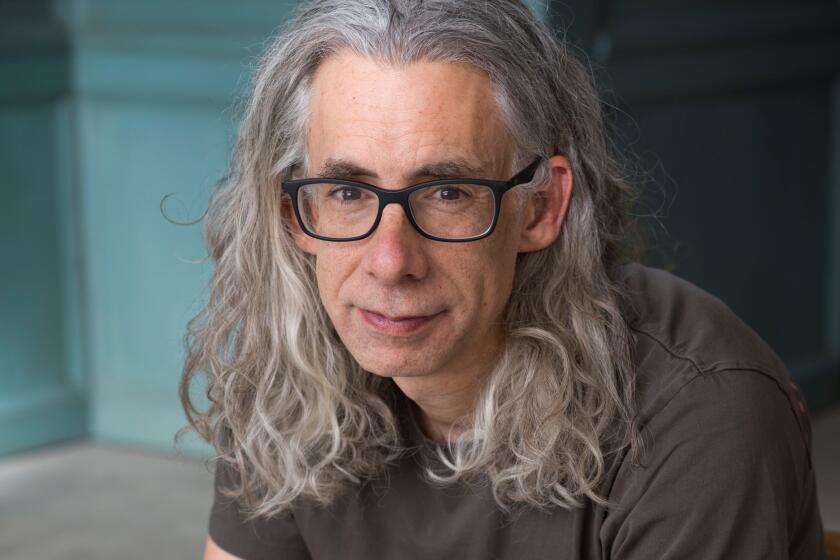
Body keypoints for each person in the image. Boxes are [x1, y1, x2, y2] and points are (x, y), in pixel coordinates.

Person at [178, 1, 826, 558]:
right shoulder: (293, 368)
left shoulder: (698, 418)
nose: (389, 260)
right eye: (347, 190)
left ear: (540, 207)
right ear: (298, 214)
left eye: (448, 191)